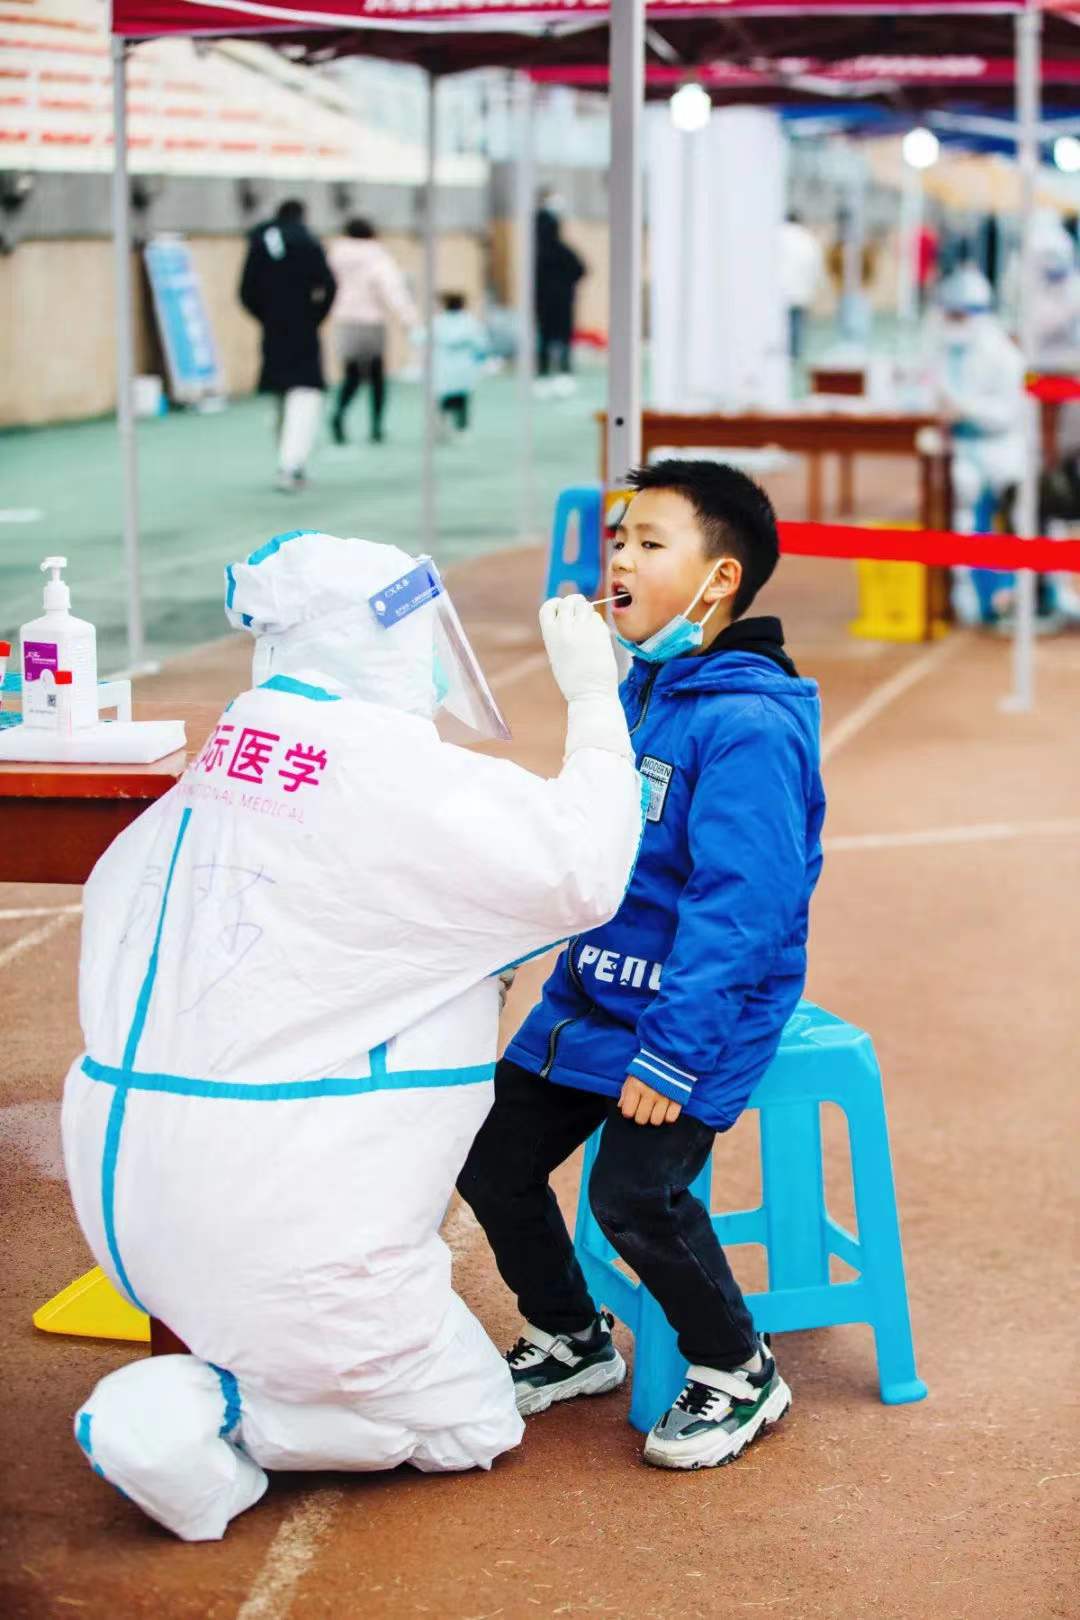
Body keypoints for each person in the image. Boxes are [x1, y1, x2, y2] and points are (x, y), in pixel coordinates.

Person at [61, 533, 646, 1541]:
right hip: (289, 1212)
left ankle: (229, 1367)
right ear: (382, 636)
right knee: (474, 1418)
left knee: (298, 1316)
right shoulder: (389, 774)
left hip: (126, 1205)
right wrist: (597, 702)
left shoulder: (233, 759)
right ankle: (205, 1415)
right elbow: (582, 872)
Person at [458, 461, 827, 1473]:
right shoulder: (640, 690)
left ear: (719, 582)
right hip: (596, 996)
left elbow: (740, 911)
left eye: (650, 543)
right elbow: (587, 847)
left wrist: (671, 1058)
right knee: (486, 1157)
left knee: (634, 1198)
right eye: (617, 538)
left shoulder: (746, 721)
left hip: (695, 1016)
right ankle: (574, 1336)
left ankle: (738, 1366)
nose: (618, 557)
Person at [930, 265, 1027, 624]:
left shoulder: (1004, 357)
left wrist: (965, 410)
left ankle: (1008, 597)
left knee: (1007, 523)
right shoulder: (945, 350)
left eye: (958, 314)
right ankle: (964, 598)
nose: (952, 322)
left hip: (999, 450)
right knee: (959, 519)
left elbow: (1006, 414)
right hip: (962, 451)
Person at [239, 199, 336, 493]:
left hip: (273, 328)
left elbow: (245, 291)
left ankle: (287, 460)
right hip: (303, 326)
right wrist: (315, 316)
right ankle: (291, 465)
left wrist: (266, 315)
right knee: (305, 394)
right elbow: (329, 284)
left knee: (281, 393)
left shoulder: (259, 240)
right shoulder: (307, 239)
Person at [327, 218, 418, 446]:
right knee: (377, 376)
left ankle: (339, 413)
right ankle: (376, 426)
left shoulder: (334, 257)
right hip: (371, 321)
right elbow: (392, 289)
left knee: (352, 375)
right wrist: (408, 319)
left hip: (345, 321)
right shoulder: (377, 257)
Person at [535, 194, 585, 397]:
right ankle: (553, 373)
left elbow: (581, 270)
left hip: (554, 303)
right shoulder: (555, 252)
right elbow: (580, 270)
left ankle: (556, 373)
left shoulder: (546, 253)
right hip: (557, 302)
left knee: (553, 339)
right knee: (553, 339)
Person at [429, 292, 487, 440]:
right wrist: (480, 360)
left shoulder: (438, 322)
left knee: (444, 399)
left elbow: (422, 337)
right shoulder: (470, 322)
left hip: (444, 368)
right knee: (462, 399)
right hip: (464, 367)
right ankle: (462, 428)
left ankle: (442, 426)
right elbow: (481, 344)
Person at [778, 211, 823, 365]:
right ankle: (793, 358)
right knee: (796, 325)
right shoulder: (808, 238)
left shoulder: (777, 234)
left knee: (779, 325)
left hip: (779, 290)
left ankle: (780, 356)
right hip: (801, 290)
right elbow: (816, 266)